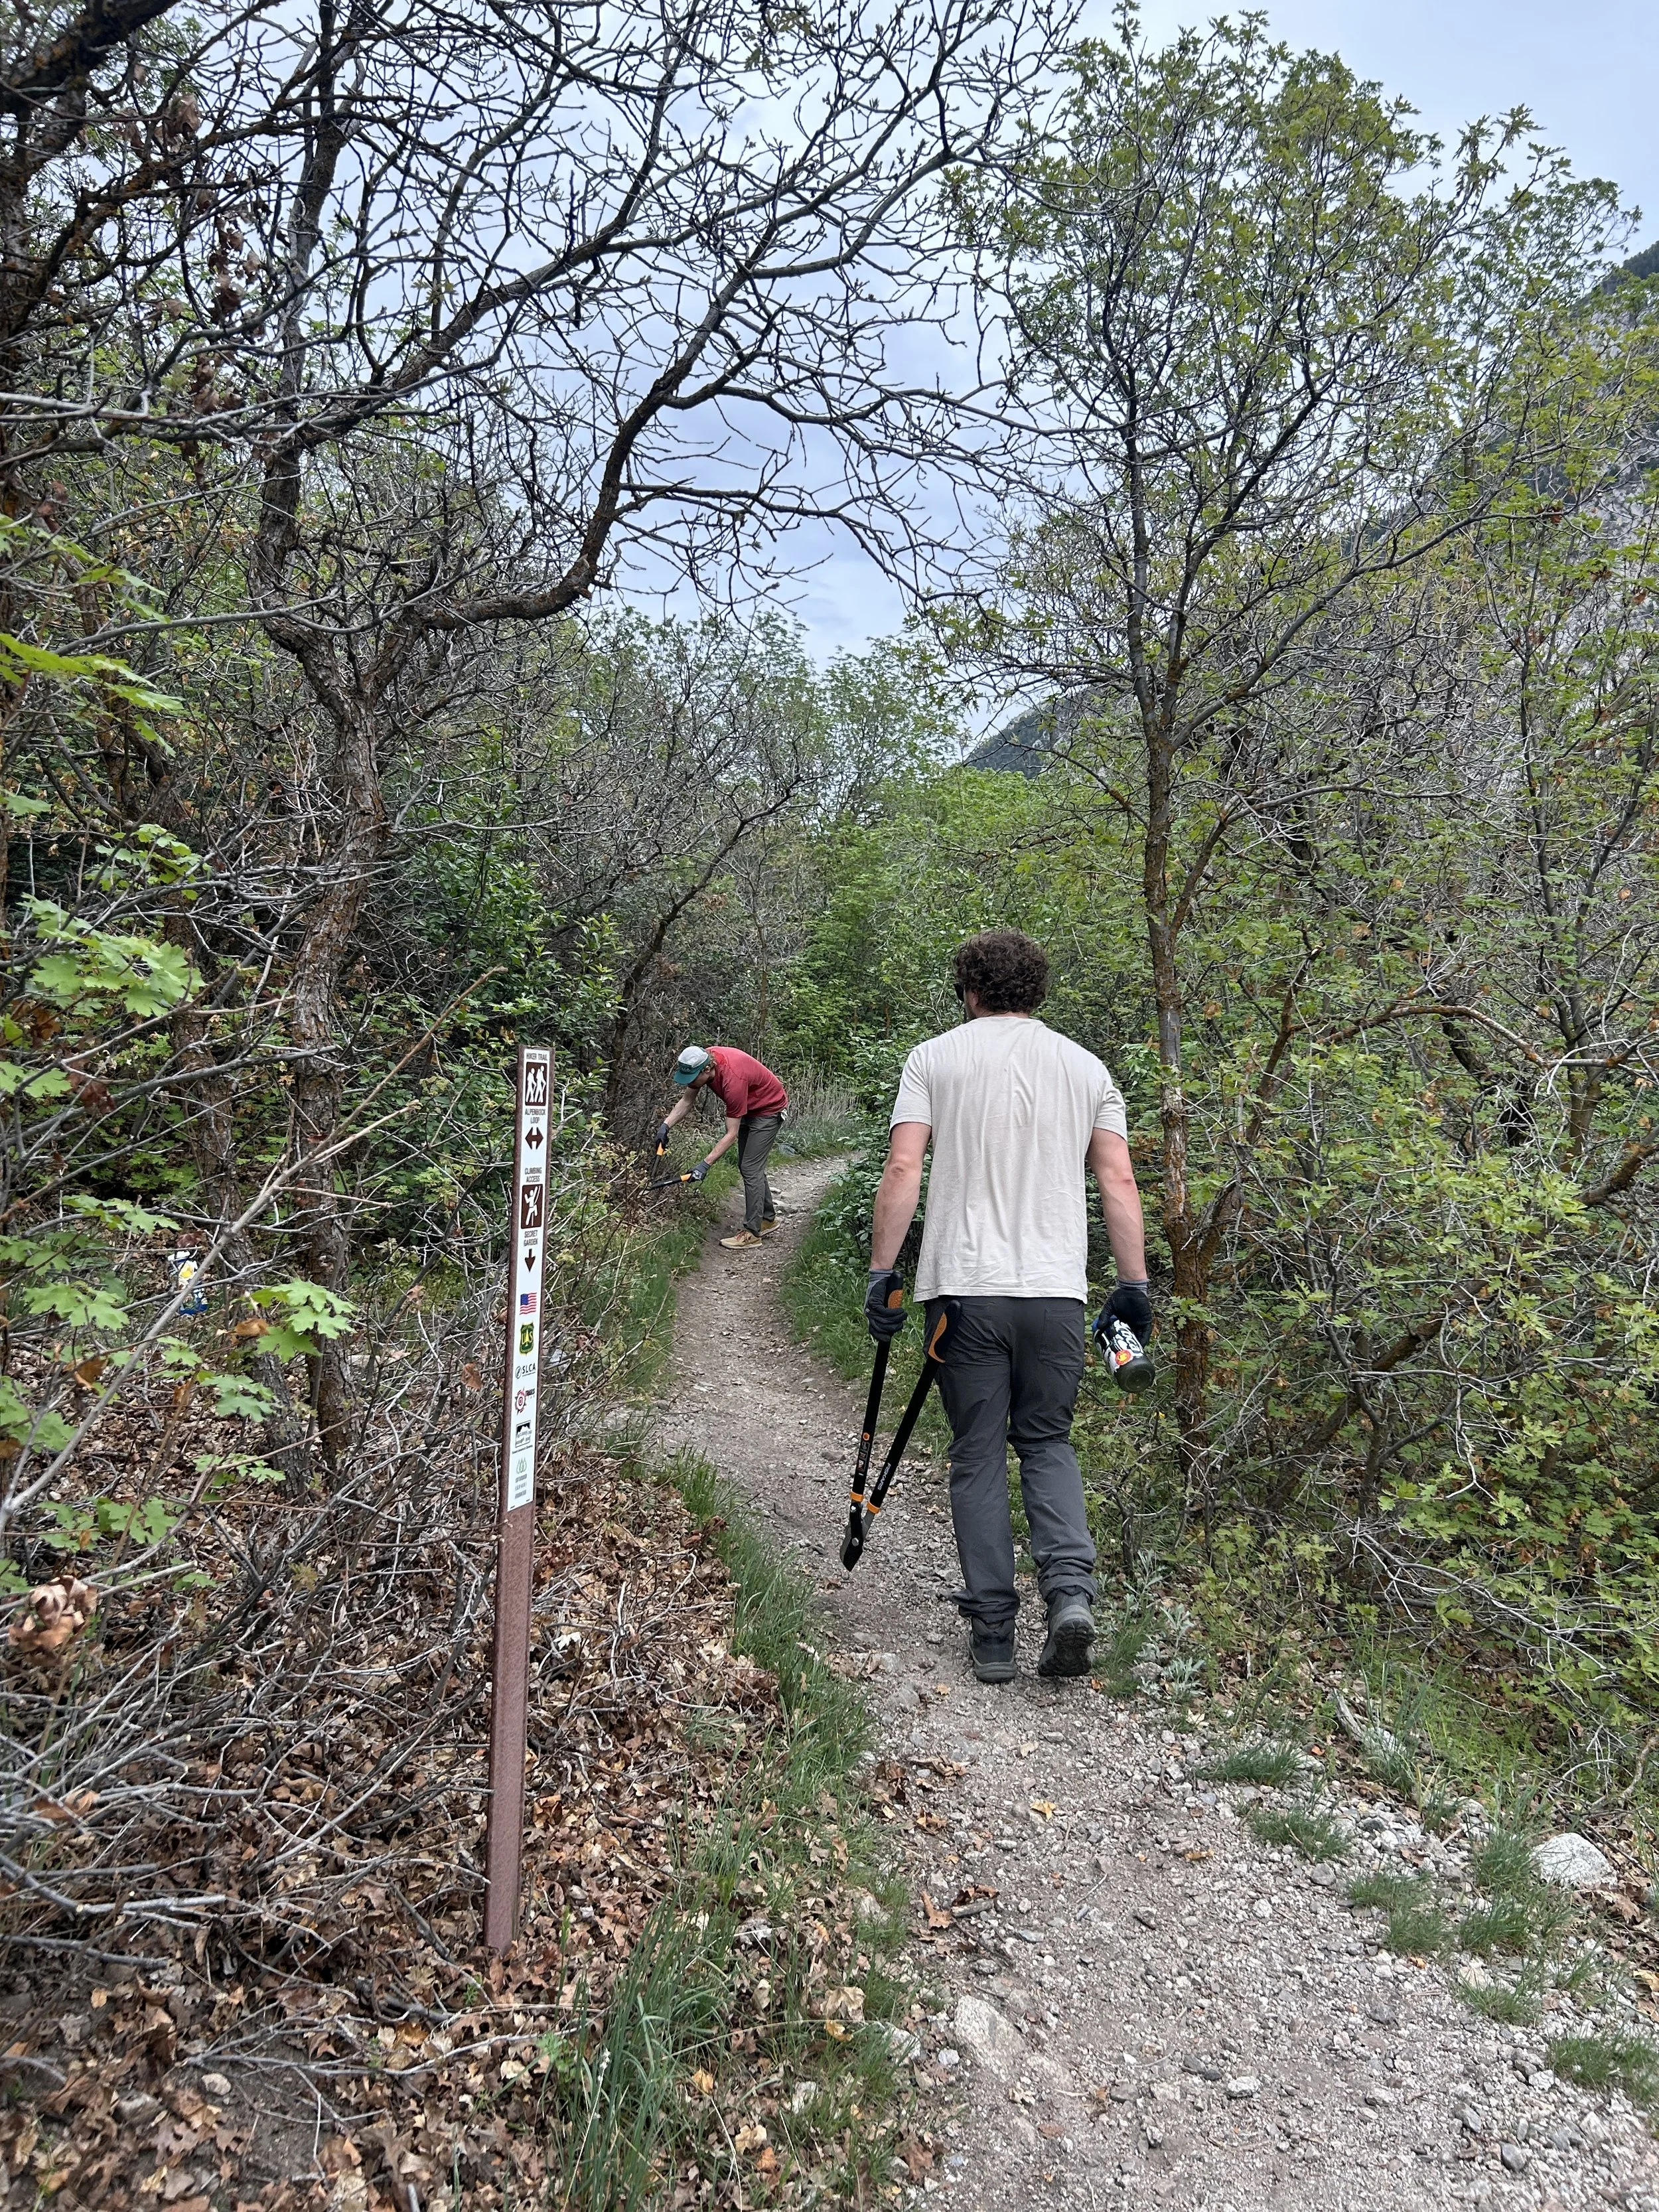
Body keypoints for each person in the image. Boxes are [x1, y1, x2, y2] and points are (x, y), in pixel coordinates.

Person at [863, 929, 1151, 1684]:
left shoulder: (934, 1058)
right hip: (1055, 1293)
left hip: (964, 1290)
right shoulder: (1088, 1070)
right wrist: (1134, 1285)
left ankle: (993, 1633)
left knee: (978, 1453)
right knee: (1049, 1443)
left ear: (969, 989)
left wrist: (882, 1271)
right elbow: (1117, 1181)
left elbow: (903, 1164)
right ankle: (1069, 1600)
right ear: (1038, 991)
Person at [658, 1044, 789, 1250]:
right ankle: (767, 1219)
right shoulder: (703, 1061)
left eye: (693, 1077)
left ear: (707, 1070)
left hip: (768, 1110)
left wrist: (704, 1165)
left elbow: (731, 1134)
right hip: (749, 1106)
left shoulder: (733, 1080)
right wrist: (665, 1126)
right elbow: (687, 1101)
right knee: (748, 1165)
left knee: (750, 1167)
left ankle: (752, 1233)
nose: (690, 1082)